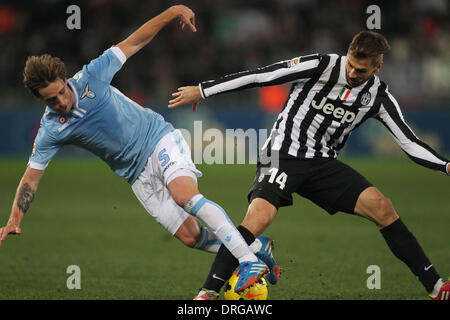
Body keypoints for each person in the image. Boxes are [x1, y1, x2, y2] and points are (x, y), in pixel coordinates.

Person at [0, 5, 272, 298]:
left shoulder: (93, 74)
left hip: (157, 140)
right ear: (40, 100)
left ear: (65, 80)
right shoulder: (51, 128)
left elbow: (136, 40)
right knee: (190, 237)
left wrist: (172, 12)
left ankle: (248, 261)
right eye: (51, 101)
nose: (61, 102)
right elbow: (31, 178)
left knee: (185, 195)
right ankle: (256, 247)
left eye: (61, 92)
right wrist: (15, 219)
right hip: (136, 175)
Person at [168, 30, 450, 300]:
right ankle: (207, 293)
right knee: (260, 217)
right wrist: (204, 91)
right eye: (351, 65)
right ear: (347, 55)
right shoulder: (320, 65)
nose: (352, 73)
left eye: (361, 71)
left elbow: (409, 142)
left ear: (378, 66)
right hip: (282, 152)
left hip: (323, 163)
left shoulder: (378, 97)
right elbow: (262, 75)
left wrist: (446, 166)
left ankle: (436, 287)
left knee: (383, 208)